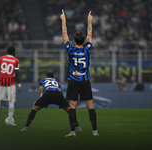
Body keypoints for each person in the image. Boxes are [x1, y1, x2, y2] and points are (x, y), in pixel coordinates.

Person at [60, 9, 99, 137]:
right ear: (83, 41)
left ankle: (72, 132)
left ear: (74, 40)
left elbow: (65, 35)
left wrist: (63, 21)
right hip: (85, 80)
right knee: (90, 106)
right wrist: (89, 22)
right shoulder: (87, 49)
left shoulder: (70, 50)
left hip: (73, 80)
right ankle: (94, 131)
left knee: (72, 106)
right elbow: (90, 34)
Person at [0, 46, 21, 126]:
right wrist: (19, 85)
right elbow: (17, 75)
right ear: (14, 52)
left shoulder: (1, 58)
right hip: (11, 83)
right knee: (11, 101)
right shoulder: (16, 60)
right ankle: (9, 120)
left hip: (1, 82)